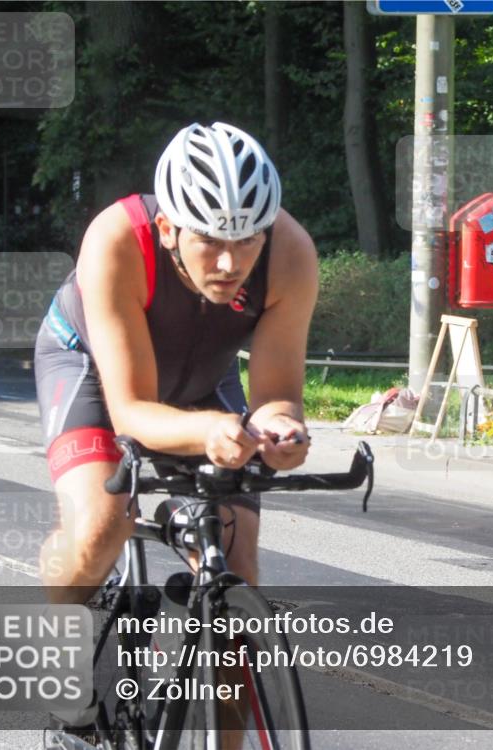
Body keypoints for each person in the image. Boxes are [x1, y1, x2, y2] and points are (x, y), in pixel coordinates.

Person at [35, 121, 317, 601]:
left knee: (235, 562)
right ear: (167, 229)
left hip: (205, 375)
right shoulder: (116, 239)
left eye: (248, 241)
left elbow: (277, 397)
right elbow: (130, 411)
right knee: (102, 528)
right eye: (210, 241)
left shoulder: (291, 253)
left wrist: (282, 432)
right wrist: (209, 433)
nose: (230, 264)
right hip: (89, 367)